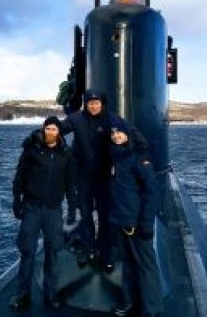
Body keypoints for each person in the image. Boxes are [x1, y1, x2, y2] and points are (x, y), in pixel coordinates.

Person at [61, 89, 147, 271]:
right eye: (90, 103)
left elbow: (131, 133)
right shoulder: (76, 119)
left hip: (104, 177)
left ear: (102, 103)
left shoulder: (112, 119)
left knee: (106, 216)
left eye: (97, 103)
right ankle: (89, 248)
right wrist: (38, 138)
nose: (93, 106)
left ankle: (105, 252)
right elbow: (57, 129)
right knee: (85, 216)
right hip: (83, 177)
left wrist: (139, 151)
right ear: (86, 103)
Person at [10, 116, 77, 310]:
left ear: (59, 132)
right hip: (32, 208)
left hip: (53, 211)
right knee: (28, 251)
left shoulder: (66, 154)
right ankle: (23, 294)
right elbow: (20, 176)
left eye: (54, 129)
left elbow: (70, 183)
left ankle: (51, 294)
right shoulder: (32, 149)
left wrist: (72, 208)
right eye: (48, 129)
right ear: (43, 129)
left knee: (52, 252)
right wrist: (17, 200)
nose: (50, 132)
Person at [108, 116, 163, 317]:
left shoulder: (139, 157)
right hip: (121, 221)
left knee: (146, 266)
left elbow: (152, 192)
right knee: (128, 264)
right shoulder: (116, 156)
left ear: (128, 134)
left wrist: (146, 223)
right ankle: (130, 302)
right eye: (113, 133)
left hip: (138, 223)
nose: (115, 136)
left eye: (119, 132)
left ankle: (153, 310)